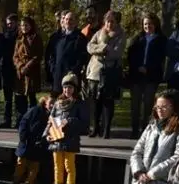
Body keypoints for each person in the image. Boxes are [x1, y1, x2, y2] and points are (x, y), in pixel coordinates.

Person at [45, 73, 86, 184]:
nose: (67, 90)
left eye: (70, 87)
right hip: (56, 139)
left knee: (69, 166)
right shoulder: (57, 103)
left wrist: (68, 121)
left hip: (70, 140)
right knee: (57, 166)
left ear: (75, 89)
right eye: (65, 87)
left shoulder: (79, 104)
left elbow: (84, 123)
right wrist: (47, 134)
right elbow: (50, 120)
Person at [127, 14, 167, 139]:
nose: (147, 26)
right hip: (136, 76)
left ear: (155, 25)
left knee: (148, 105)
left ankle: (145, 131)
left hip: (151, 77)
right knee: (135, 105)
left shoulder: (161, 40)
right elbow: (130, 56)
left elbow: (160, 58)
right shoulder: (137, 38)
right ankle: (134, 130)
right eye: (145, 24)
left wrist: (148, 68)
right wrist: (138, 67)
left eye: (150, 24)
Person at [86, 11, 125, 139]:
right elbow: (89, 47)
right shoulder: (99, 33)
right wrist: (102, 49)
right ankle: (95, 127)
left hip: (109, 72)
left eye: (112, 21)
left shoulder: (120, 35)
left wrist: (100, 51)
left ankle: (106, 129)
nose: (109, 24)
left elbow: (116, 53)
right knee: (94, 102)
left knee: (107, 102)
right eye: (107, 21)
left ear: (117, 22)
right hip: (95, 72)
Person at [11, 95, 53, 184]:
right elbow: (23, 122)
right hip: (27, 141)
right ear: (45, 102)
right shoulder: (34, 110)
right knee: (20, 164)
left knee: (34, 166)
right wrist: (23, 137)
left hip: (39, 143)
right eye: (50, 103)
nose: (52, 105)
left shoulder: (53, 114)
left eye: (53, 104)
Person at [13, 16, 43, 127]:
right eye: (22, 25)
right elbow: (15, 56)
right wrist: (21, 66)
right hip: (21, 73)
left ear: (31, 26)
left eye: (26, 25)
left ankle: (33, 121)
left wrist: (28, 66)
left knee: (32, 97)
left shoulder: (36, 38)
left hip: (31, 73)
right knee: (21, 98)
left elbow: (38, 55)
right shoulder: (19, 39)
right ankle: (21, 121)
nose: (24, 27)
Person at [51, 12, 88, 94]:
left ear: (75, 22)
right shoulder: (58, 37)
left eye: (71, 19)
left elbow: (82, 58)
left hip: (71, 77)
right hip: (57, 76)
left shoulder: (80, 38)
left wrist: (73, 71)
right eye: (66, 19)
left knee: (71, 100)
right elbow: (53, 55)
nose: (68, 21)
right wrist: (53, 68)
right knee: (58, 100)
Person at [2, 14, 19, 129]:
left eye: (11, 23)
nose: (9, 26)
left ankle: (18, 120)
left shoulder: (20, 35)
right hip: (6, 69)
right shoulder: (5, 36)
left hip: (17, 69)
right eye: (7, 24)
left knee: (18, 97)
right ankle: (7, 120)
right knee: (7, 98)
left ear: (16, 23)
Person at [44, 10, 66, 86]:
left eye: (65, 19)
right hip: (56, 73)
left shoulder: (77, 36)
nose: (63, 21)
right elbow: (49, 55)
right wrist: (52, 69)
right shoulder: (54, 37)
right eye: (61, 19)